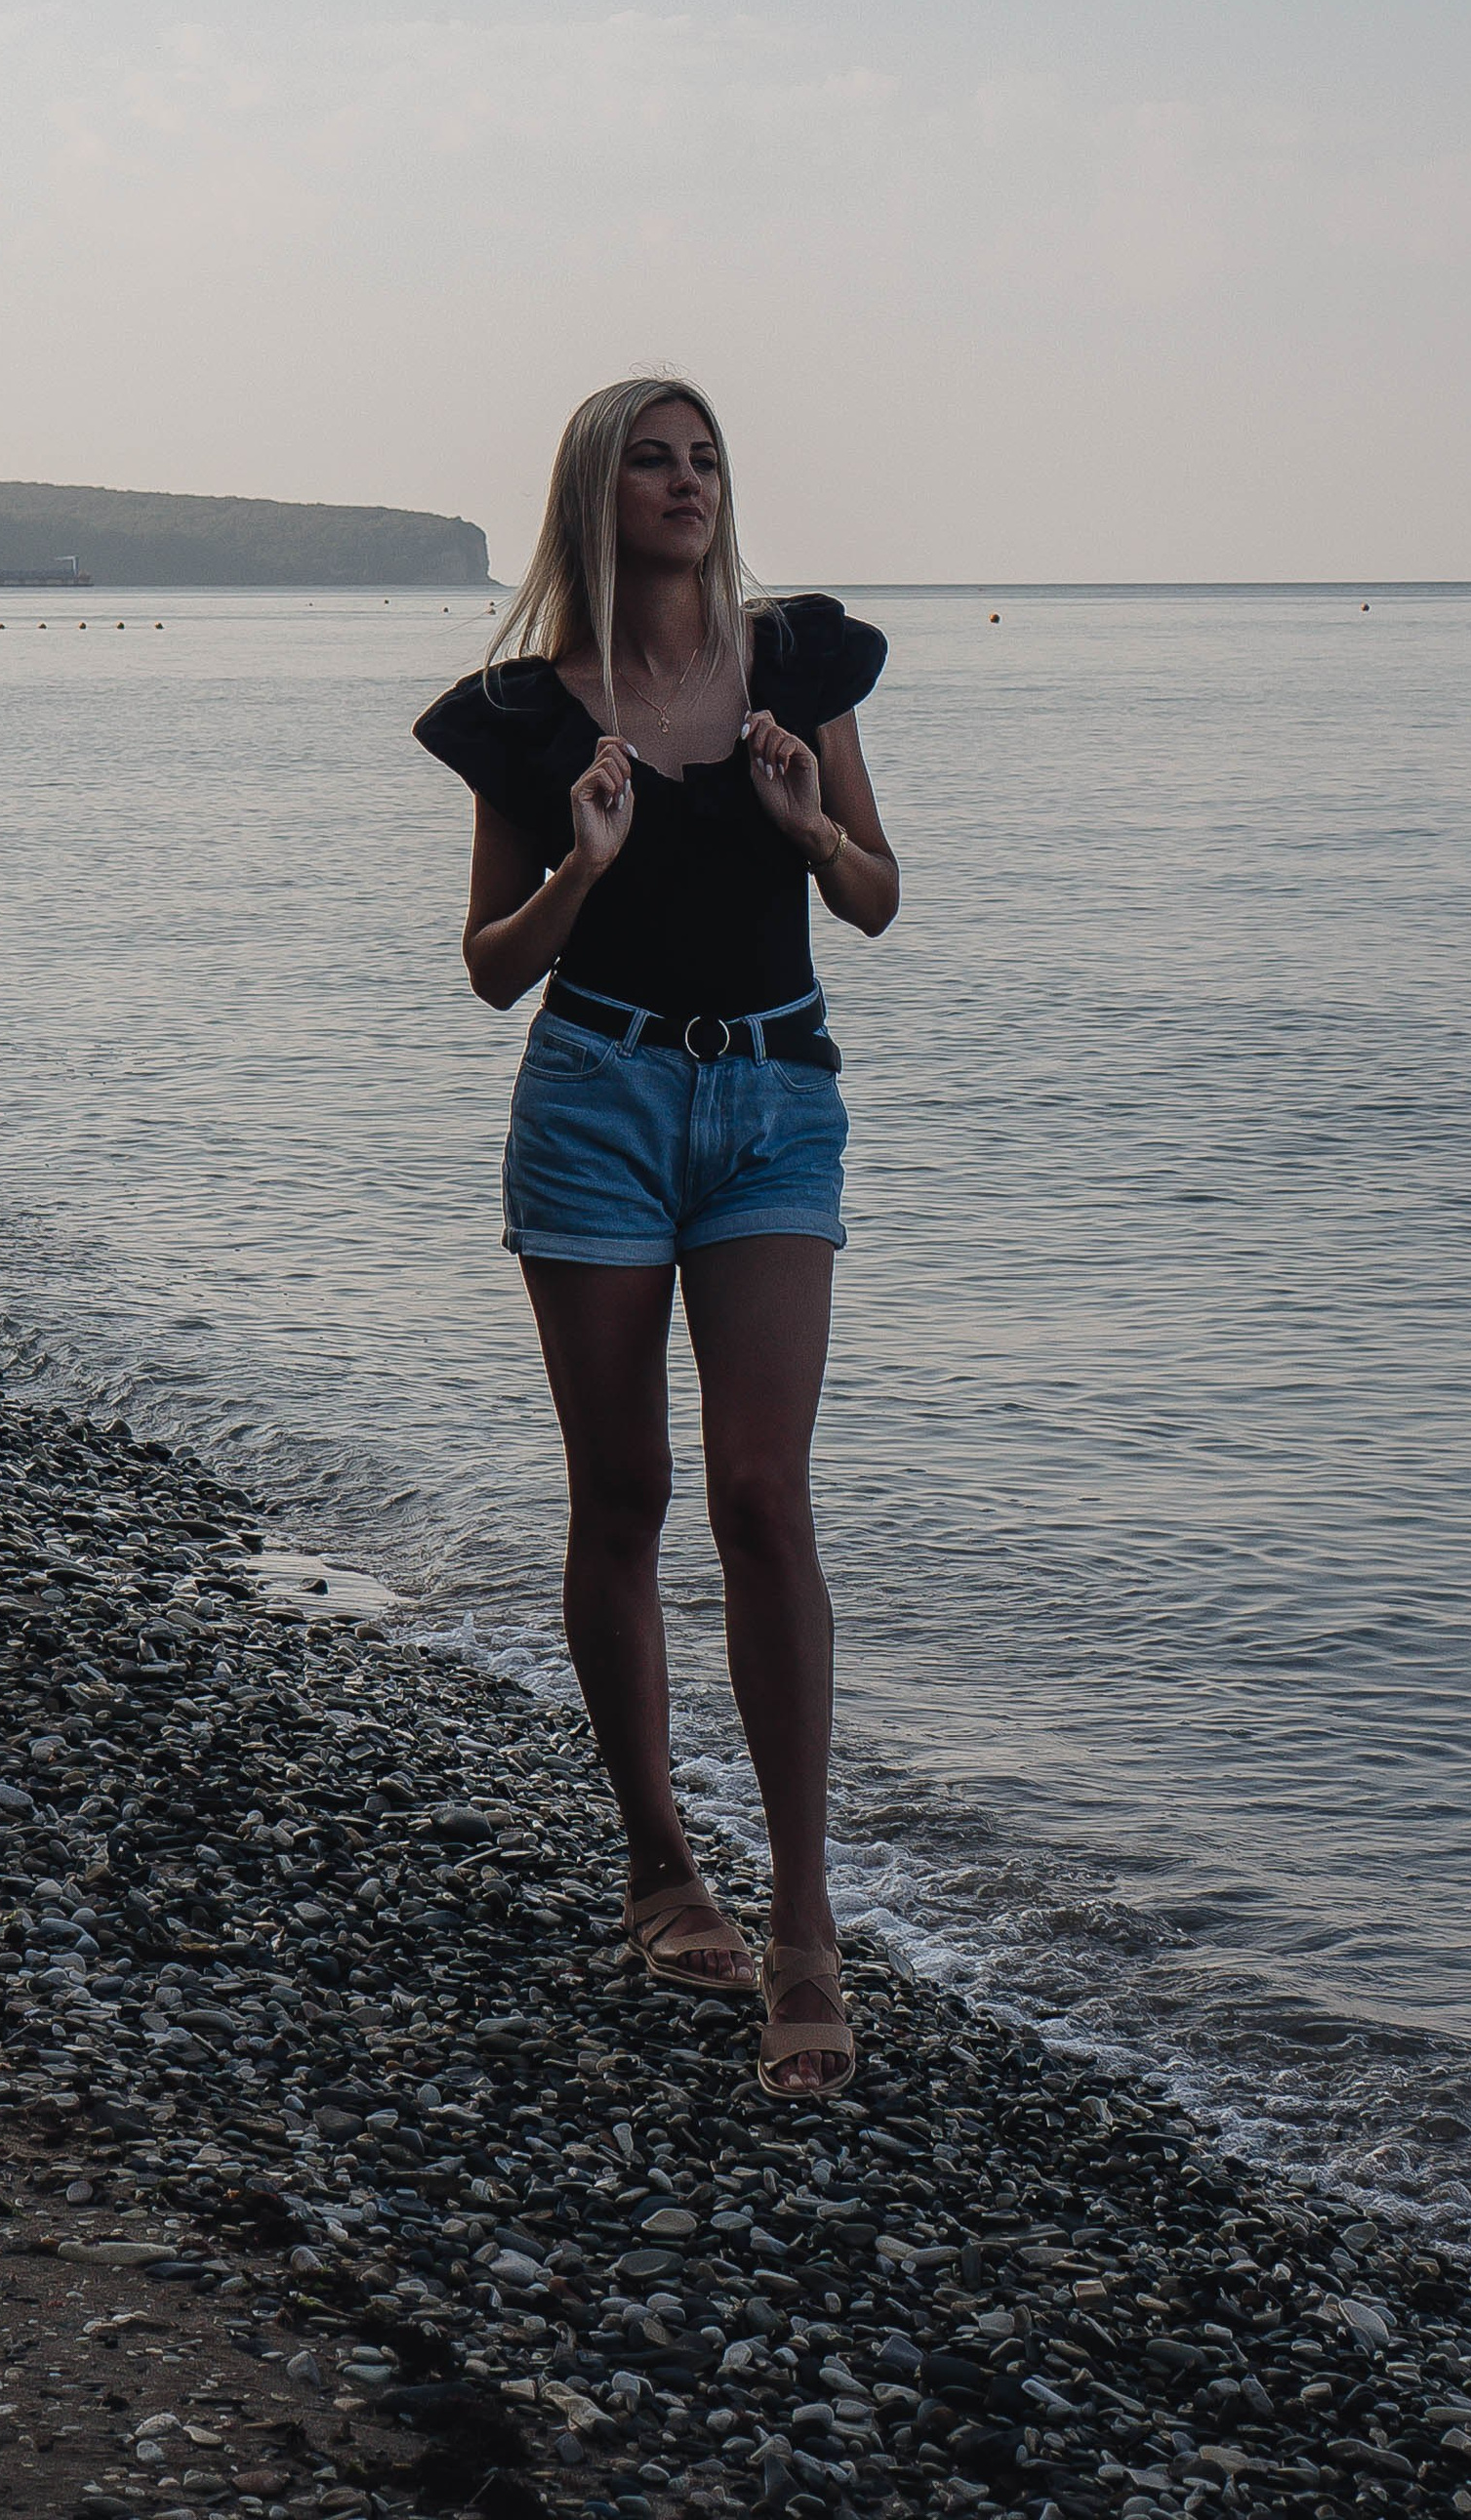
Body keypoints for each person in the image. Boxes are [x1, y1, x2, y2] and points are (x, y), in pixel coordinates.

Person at [414, 376, 898, 2098]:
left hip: (773, 1103)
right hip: (599, 1103)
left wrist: (804, 820)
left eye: (705, 460)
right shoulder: (527, 716)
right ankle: (654, 1863)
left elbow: (877, 894)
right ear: (592, 493)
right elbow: (488, 964)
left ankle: (808, 1929)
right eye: (652, 458)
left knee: (765, 1496)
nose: (686, 483)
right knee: (623, 1497)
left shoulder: (800, 667)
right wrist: (584, 866)